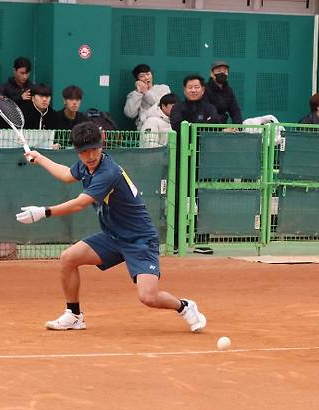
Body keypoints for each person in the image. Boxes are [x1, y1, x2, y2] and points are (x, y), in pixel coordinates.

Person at [14, 121, 207, 332]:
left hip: (139, 240)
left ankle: (184, 307)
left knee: (148, 297)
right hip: (112, 236)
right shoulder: (86, 166)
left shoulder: (107, 172)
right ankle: (74, 315)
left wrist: (43, 212)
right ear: (77, 152)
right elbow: (67, 176)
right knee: (68, 258)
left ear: (101, 144)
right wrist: (40, 158)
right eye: (84, 152)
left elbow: (80, 204)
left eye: (94, 149)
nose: (90, 156)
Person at [124, 64, 171, 129]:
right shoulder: (133, 94)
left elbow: (163, 106)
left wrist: (146, 92)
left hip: (163, 125)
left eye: (148, 74)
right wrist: (138, 93)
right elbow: (130, 114)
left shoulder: (163, 88)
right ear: (137, 80)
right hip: (144, 127)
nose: (146, 78)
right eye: (142, 76)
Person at [204, 60, 242, 124]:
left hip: (223, 126)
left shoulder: (229, 90)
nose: (222, 73)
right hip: (207, 127)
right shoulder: (205, 89)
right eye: (219, 71)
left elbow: (235, 110)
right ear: (212, 74)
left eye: (225, 71)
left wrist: (237, 126)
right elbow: (208, 110)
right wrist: (222, 128)